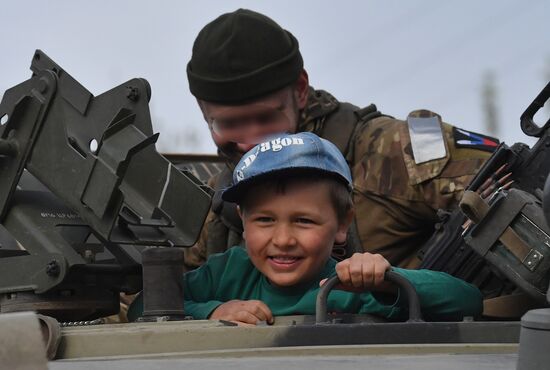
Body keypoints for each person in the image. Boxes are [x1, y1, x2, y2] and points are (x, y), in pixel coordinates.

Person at [184, 9, 499, 270]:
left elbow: (521, 190)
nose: (249, 140)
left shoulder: (394, 153)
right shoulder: (216, 205)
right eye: (228, 123)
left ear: (300, 89)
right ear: (202, 111)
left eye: (266, 118)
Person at [128, 133, 482, 323]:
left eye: (304, 220)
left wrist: (386, 280)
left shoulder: (354, 284)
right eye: (264, 220)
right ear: (242, 218)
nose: (282, 240)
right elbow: (145, 307)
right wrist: (213, 312)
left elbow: (467, 300)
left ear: (343, 224)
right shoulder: (225, 274)